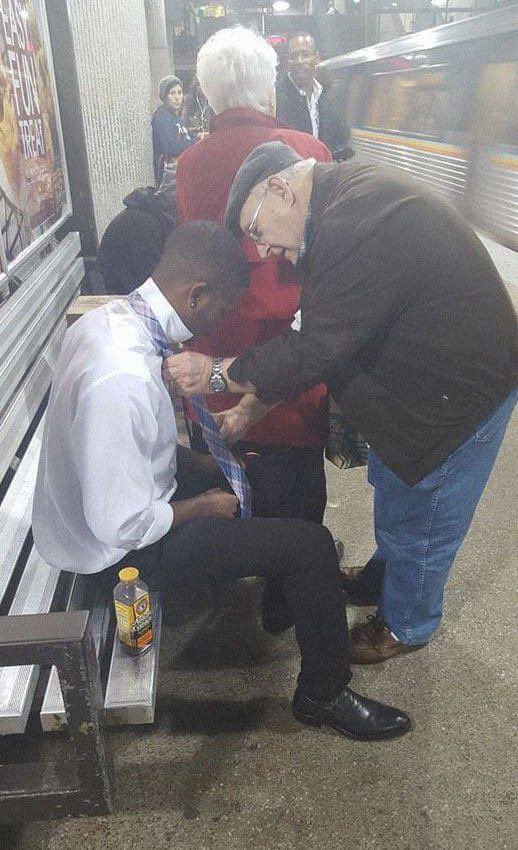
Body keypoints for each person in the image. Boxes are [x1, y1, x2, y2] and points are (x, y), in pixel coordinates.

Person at [31, 220, 411, 742]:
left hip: (120, 498)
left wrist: (208, 467)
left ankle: (288, 599)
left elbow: (132, 456)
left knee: (266, 472)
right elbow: (121, 526)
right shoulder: (122, 381)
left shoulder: (110, 321)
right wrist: (204, 505)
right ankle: (323, 694)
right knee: (312, 545)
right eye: (222, 310)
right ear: (197, 295)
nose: (221, 324)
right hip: (118, 556)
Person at [165, 142, 518, 666]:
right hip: (418, 385)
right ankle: (383, 576)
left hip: (456, 397)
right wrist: (248, 409)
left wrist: (217, 372)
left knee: (426, 513)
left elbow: (315, 348)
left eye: (257, 232)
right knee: (395, 488)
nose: (263, 252)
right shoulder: (338, 209)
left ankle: (407, 623)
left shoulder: (355, 224)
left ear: (281, 189)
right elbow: (316, 334)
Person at [176, 27, 334, 635]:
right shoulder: (307, 148)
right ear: (268, 87)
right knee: (298, 486)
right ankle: (284, 602)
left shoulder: (190, 163)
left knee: (230, 472)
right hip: (290, 357)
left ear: (210, 95)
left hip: (214, 363)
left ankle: (233, 574)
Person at [276, 33, 350, 158]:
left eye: (305, 54)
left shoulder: (325, 100)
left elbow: (340, 138)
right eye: (293, 56)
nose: (299, 61)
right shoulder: (277, 98)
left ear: (317, 57)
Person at [97, 183, 177, 295]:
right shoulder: (142, 226)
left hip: (135, 283)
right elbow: (153, 290)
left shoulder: (158, 216)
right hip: (122, 294)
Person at [152, 76, 197, 186]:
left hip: (180, 174)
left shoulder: (175, 116)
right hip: (168, 179)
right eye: (172, 93)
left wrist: (196, 136)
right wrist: (196, 141)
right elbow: (171, 147)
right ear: (164, 96)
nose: (177, 97)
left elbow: (184, 136)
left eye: (179, 92)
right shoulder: (162, 116)